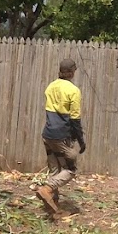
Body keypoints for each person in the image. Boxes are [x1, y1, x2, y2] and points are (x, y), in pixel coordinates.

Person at [35, 57, 86, 215]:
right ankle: (47, 189)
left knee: (55, 170)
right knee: (70, 169)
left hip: (47, 135)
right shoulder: (73, 91)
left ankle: (52, 205)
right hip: (61, 136)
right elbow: (75, 119)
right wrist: (81, 141)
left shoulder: (51, 86)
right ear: (71, 72)